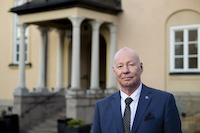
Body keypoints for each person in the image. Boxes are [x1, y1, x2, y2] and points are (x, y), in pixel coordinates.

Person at [93, 47, 182, 133]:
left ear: (141, 67)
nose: (125, 71)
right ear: (114, 71)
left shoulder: (164, 101)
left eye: (131, 64)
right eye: (120, 66)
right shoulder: (102, 107)